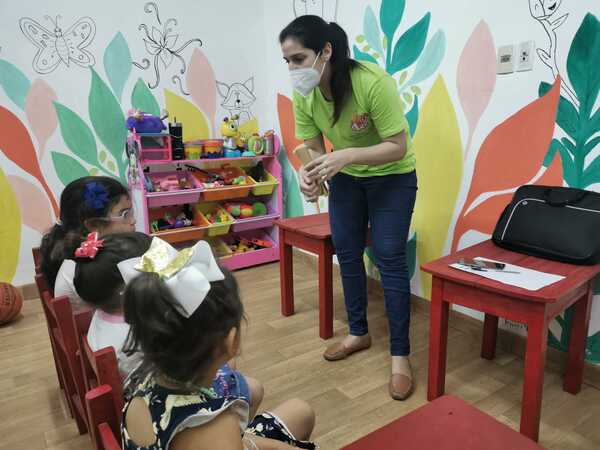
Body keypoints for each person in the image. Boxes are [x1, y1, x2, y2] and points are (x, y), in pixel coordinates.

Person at [280, 15, 417, 400]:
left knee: (389, 257)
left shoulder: (372, 83)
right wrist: (310, 175)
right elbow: (311, 147)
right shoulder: (305, 95)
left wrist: (347, 155)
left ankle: (400, 355)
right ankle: (359, 332)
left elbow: (397, 145)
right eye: (287, 61)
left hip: (393, 178)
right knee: (347, 252)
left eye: (299, 58)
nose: (293, 69)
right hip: (348, 180)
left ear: (326, 51)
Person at [120, 238, 316, 449]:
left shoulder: (143, 383)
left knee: (300, 411)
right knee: (301, 412)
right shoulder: (215, 428)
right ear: (232, 341)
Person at [73, 232, 264, 418]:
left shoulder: (103, 315)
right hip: (166, 403)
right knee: (250, 384)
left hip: (146, 398)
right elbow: (183, 369)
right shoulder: (138, 333)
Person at [39, 176, 134, 308]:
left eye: (131, 212)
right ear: (93, 225)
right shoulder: (89, 265)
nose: (133, 220)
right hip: (99, 326)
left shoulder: (87, 252)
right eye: (125, 214)